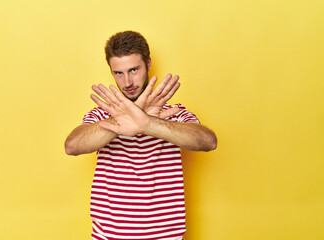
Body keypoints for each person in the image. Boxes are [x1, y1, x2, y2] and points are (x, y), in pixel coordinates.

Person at [65, 31, 217, 240]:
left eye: (134, 70)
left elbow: (208, 141)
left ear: (148, 64)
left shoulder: (173, 113)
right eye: (118, 73)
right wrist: (121, 119)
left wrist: (148, 123)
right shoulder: (101, 115)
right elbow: (72, 146)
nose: (127, 81)